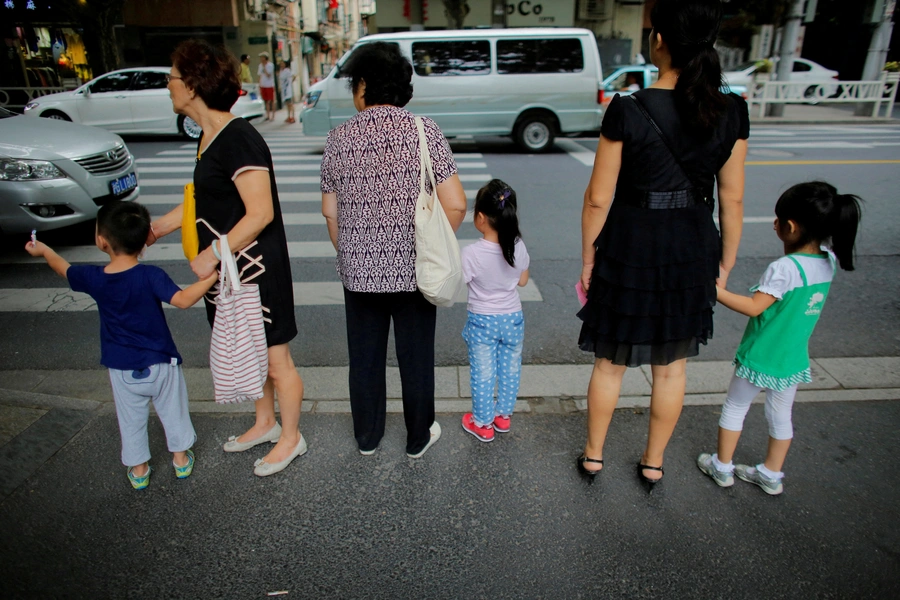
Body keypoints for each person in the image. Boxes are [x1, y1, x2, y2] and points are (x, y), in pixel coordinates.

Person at [576, 0, 749, 487]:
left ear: (659, 42)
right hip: (693, 246)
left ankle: (593, 457)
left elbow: (597, 199)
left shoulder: (628, 109)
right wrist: (725, 261)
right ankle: (652, 464)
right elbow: (732, 199)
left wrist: (589, 257)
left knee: (610, 363)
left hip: (630, 248)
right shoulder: (732, 110)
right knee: (671, 368)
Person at [150, 39, 305, 477]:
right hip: (230, 270)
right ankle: (265, 422)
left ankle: (291, 437)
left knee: (276, 359)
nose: (169, 85)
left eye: (173, 77)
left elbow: (261, 213)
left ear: (194, 85)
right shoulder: (209, 135)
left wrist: (212, 254)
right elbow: (204, 197)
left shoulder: (239, 138)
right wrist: (157, 228)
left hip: (256, 269)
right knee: (251, 353)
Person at [320, 41, 467, 458]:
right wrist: (429, 244)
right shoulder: (425, 130)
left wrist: (353, 251)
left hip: (359, 273)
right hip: (414, 271)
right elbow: (455, 203)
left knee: (364, 359)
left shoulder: (337, 138)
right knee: (415, 357)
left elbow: (331, 213)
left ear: (363, 85)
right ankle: (418, 438)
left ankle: (367, 438)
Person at [25, 201, 217, 490]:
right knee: (173, 410)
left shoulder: (93, 278)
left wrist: (44, 251)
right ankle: (179, 459)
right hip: (161, 361)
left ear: (102, 240)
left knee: (130, 418)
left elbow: (62, 268)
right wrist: (212, 277)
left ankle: (139, 468)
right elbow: (183, 300)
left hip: (121, 365)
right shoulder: (151, 275)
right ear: (144, 243)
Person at [698, 182, 862, 496]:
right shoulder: (827, 261)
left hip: (761, 354)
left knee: (735, 407)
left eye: (778, 218)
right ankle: (771, 473)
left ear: (790, 226)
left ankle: (722, 466)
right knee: (781, 414)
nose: (775, 222)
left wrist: (713, 290)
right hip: (792, 356)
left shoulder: (785, 268)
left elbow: (754, 307)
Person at [460, 179, 530, 443]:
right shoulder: (518, 246)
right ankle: (503, 417)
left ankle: (482, 423)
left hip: (483, 321)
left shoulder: (471, 254)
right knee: (510, 368)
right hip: (513, 318)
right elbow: (522, 280)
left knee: (483, 372)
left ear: (480, 217)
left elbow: (459, 282)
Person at [257, 51, 276, 120]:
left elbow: (268, 75)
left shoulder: (270, 65)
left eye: (262, 57)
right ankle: (268, 115)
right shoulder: (260, 65)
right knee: (265, 100)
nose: (261, 59)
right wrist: (259, 83)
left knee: (270, 100)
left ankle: (273, 115)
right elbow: (259, 75)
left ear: (265, 58)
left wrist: (264, 67)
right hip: (263, 85)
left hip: (269, 85)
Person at [279, 59, 296, 124]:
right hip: (284, 90)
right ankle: (289, 116)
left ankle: (293, 117)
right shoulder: (281, 71)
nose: (281, 65)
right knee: (287, 104)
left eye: (283, 63)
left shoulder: (287, 71)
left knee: (290, 104)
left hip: (288, 90)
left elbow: (294, 76)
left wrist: (290, 82)